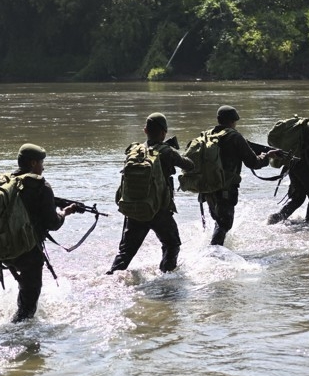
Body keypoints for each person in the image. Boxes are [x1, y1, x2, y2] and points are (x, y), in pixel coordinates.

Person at [0, 144, 83, 322]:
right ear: (33, 163)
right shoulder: (41, 186)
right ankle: (18, 336)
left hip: (4, 249)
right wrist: (65, 212)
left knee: (25, 291)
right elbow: (53, 224)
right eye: (42, 162)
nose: (43, 167)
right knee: (28, 309)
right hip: (28, 252)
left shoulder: (7, 183)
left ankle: (15, 319)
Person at [106, 113, 195, 274]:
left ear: (145, 130)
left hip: (134, 209)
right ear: (164, 132)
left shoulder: (134, 150)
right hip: (159, 211)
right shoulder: (167, 151)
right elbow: (189, 166)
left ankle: (110, 278)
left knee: (125, 253)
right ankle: (165, 278)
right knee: (172, 244)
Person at [202, 105, 269, 246]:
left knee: (219, 222)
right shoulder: (234, 136)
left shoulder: (207, 135)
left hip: (207, 188)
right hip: (225, 189)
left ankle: (215, 250)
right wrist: (266, 156)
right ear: (233, 121)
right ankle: (213, 255)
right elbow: (253, 162)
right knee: (224, 224)